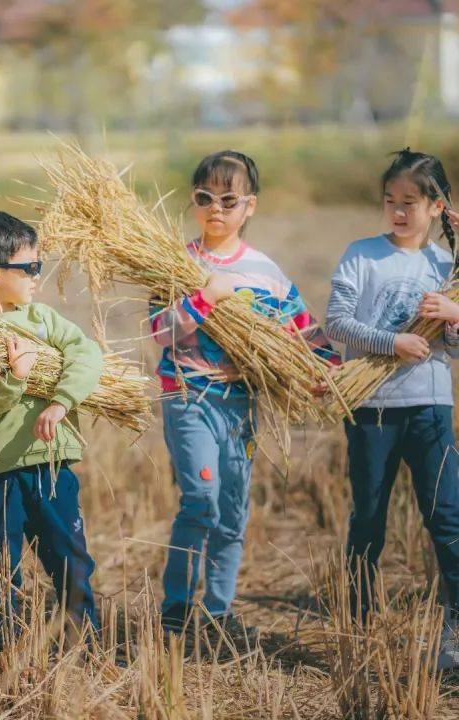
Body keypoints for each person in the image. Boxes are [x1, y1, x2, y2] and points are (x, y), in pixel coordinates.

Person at [151, 151, 338, 643]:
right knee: (201, 499)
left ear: (249, 205)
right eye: (204, 198)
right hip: (188, 394)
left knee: (233, 509)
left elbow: (301, 329)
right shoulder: (175, 264)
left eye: (228, 199)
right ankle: (175, 606)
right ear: (193, 201)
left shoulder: (265, 271)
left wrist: (329, 371)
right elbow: (158, 331)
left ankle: (218, 609)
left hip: (239, 402)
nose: (216, 208)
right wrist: (204, 298)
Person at [324, 148, 459, 669]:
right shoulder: (361, 254)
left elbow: (452, 346)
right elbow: (337, 324)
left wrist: (452, 317)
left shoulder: (446, 266)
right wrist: (391, 342)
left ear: (435, 206)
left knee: (446, 513)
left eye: (410, 202)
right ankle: (357, 626)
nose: (399, 212)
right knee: (368, 519)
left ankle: (456, 622)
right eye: (390, 201)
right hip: (371, 407)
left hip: (430, 406)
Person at [0, 210, 105, 655]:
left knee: (71, 560)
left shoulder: (43, 320)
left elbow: (87, 355)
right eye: (31, 267)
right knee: (0, 567)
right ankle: (1, 653)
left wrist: (61, 402)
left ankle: (87, 647)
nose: (39, 275)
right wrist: (15, 376)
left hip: (51, 461)